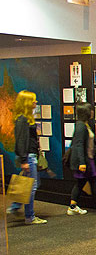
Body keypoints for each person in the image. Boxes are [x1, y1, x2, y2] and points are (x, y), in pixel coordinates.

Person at [6, 90, 48, 225]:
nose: (36, 102)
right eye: (33, 100)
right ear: (27, 103)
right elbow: (21, 141)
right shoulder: (22, 120)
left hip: (30, 156)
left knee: (32, 184)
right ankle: (29, 216)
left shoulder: (26, 118)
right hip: (28, 157)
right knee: (32, 186)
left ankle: (15, 206)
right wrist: (24, 160)